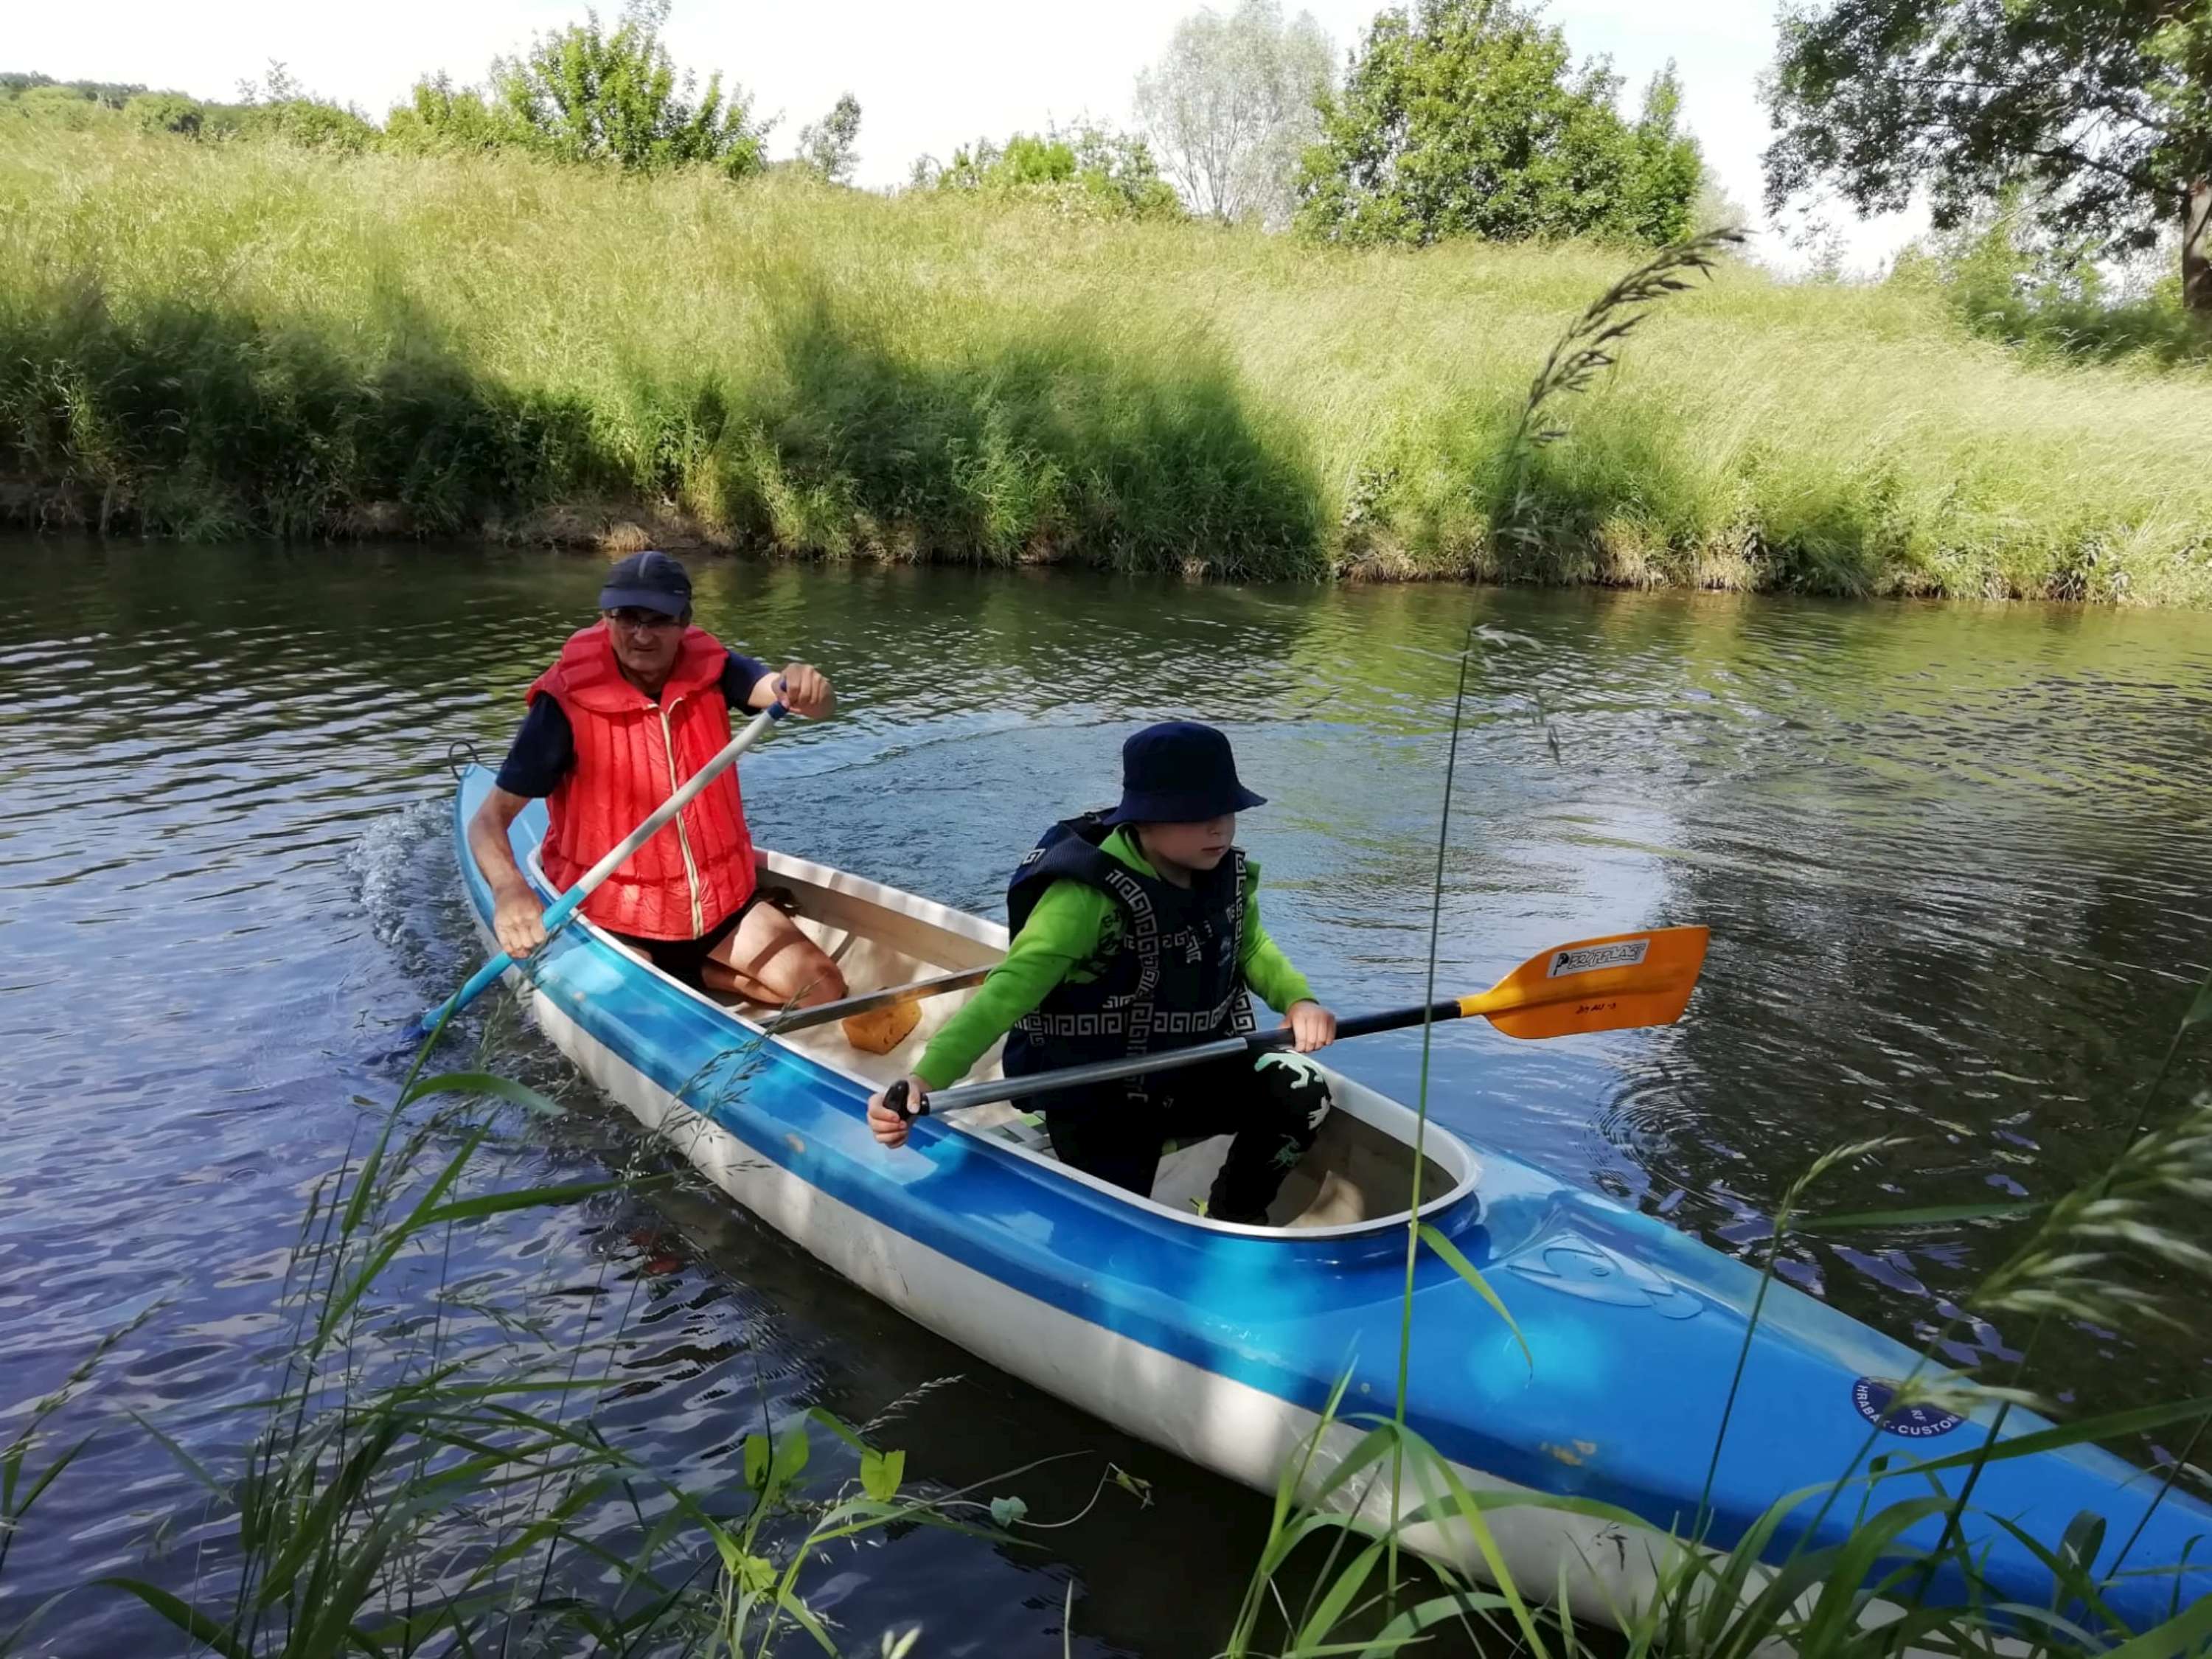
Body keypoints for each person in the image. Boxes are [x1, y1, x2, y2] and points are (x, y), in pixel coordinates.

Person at [866, 721, 1338, 1225]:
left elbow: (1251, 947)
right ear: (1144, 818)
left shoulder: (1227, 877)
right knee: (1118, 1220)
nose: (1219, 829)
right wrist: (923, 1079)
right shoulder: (1084, 899)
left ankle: (1235, 1215)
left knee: (1303, 1089)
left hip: (1192, 1067)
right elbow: (1005, 995)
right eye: (1195, 815)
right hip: (1100, 1093)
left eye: (1226, 811)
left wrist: (1298, 1000)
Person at [468, 549, 848, 1009]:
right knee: (638, 1007)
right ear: (606, 618)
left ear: (684, 621)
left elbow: (788, 694)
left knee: (824, 988)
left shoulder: (715, 668)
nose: (642, 634)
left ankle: (688, 971)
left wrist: (808, 690)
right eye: (627, 618)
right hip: (611, 914)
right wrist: (510, 889)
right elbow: (487, 821)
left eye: (659, 620)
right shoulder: (562, 702)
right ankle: (671, 972)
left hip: (717, 905)